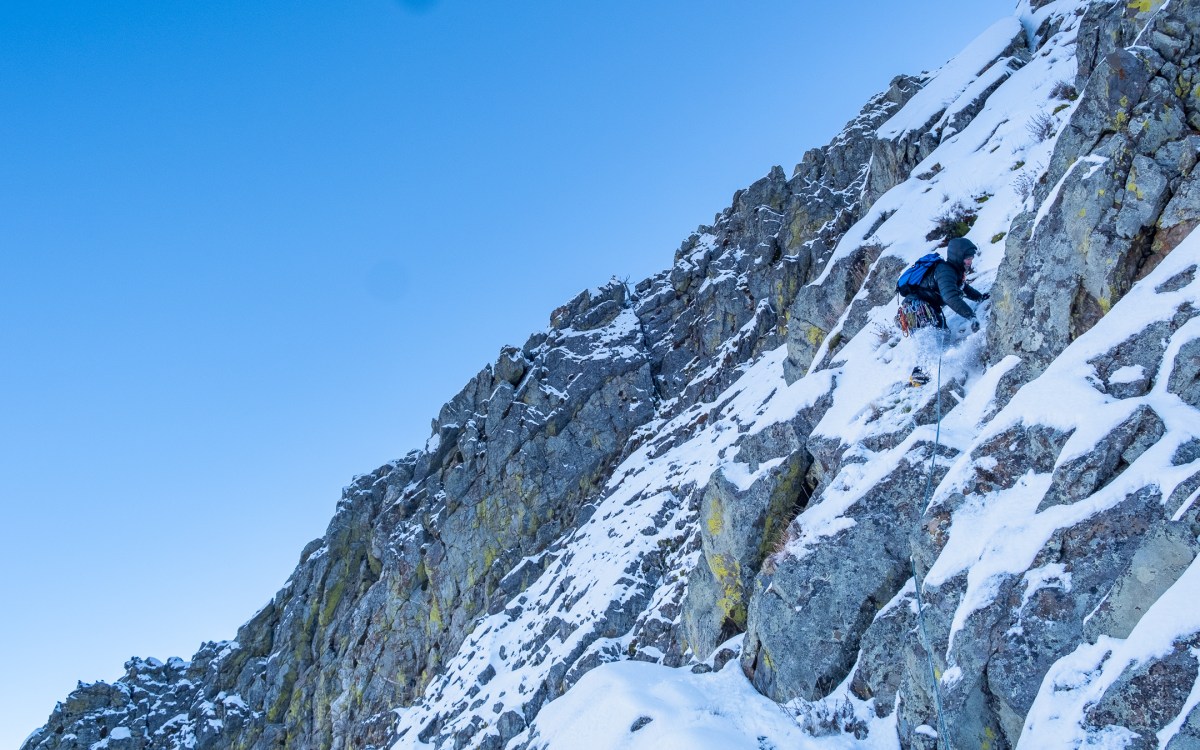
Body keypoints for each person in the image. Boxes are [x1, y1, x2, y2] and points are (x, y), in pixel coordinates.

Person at [901, 237, 988, 385]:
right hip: (920, 307)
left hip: (916, 308)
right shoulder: (945, 271)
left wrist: (980, 298)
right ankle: (921, 375)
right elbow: (950, 297)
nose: (970, 261)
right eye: (967, 258)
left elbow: (962, 288)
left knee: (940, 336)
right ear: (959, 256)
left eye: (971, 258)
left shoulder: (952, 272)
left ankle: (923, 374)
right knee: (935, 338)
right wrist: (971, 316)